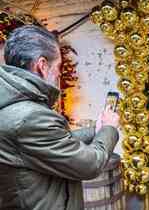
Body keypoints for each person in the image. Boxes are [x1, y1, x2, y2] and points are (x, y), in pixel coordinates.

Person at [0, 25, 120, 210]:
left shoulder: (15, 104)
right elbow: (90, 164)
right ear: (42, 65)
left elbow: (54, 142)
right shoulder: (30, 117)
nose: (59, 74)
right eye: (58, 66)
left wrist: (96, 129)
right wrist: (109, 128)